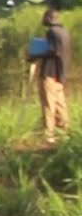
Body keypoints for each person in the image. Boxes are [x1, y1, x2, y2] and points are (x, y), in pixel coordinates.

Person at [38, 8, 71, 142]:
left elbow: (53, 51)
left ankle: (49, 134)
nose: (43, 20)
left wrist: (37, 53)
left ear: (50, 18)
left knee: (48, 104)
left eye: (44, 17)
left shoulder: (51, 32)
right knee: (60, 104)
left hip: (49, 73)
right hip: (60, 74)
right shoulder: (65, 32)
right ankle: (65, 132)